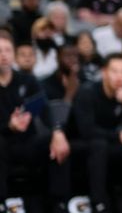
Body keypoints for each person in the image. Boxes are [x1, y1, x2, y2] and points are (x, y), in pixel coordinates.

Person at [67, 53, 122, 212]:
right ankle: (99, 205)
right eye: (114, 71)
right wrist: (119, 136)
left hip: (104, 143)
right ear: (104, 72)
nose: (119, 77)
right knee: (100, 145)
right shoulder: (87, 92)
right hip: (76, 144)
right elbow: (86, 130)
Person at [0, 30, 72, 210]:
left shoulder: (28, 80)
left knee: (56, 142)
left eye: (8, 50)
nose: (4, 56)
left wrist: (57, 131)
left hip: (27, 142)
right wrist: (9, 126)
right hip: (3, 142)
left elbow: (45, 109)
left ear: (14, 54)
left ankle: (58, 202)